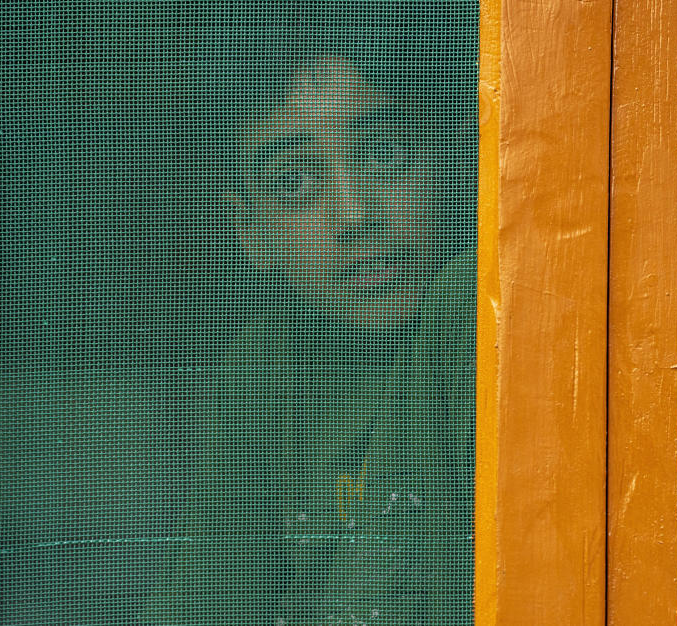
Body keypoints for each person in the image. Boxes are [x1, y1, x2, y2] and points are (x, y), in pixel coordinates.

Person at [144, 54, 475, 625]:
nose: (354, 212)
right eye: (298, 181)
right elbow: (212, 589)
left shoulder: (466, 311)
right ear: (252, 229)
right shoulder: (264, 369)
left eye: (381, 151)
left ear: (439, 160)